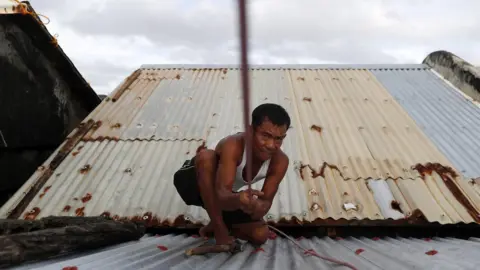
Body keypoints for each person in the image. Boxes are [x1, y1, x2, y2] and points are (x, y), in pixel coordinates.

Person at [173, 103, 291, 246]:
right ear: (250, 131)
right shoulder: (234, 144)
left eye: (279, 139)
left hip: (222, 196)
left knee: (260, 235)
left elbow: (264, 205)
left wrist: (255, 206)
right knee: (206, 157)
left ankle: (216, 225)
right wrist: (238, 199)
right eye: (265, 136)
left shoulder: (280, 162)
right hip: (191, 183)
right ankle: (219, 229)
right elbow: (222, 194)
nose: (272, 145)